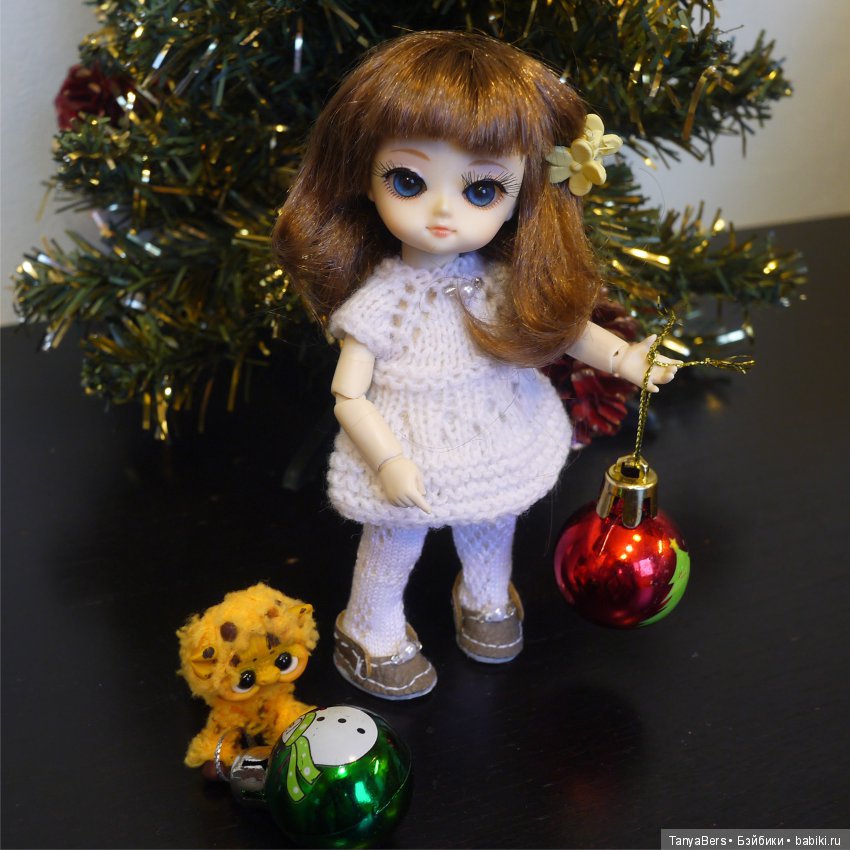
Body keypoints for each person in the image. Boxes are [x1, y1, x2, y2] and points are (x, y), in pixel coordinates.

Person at [273, 30, 678, 700]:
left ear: (523, 194)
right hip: (405, 446)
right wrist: (387, 461)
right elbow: (348, 395)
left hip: (496, 431)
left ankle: (485, 597)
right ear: (365, 175)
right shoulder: (383, 302)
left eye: (482, 189)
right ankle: (369, 629)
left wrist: (628, 359)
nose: (442, 211)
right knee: (394, 540)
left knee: (493, 521)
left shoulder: (499, 284)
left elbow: (567, 332)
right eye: (408, 181)